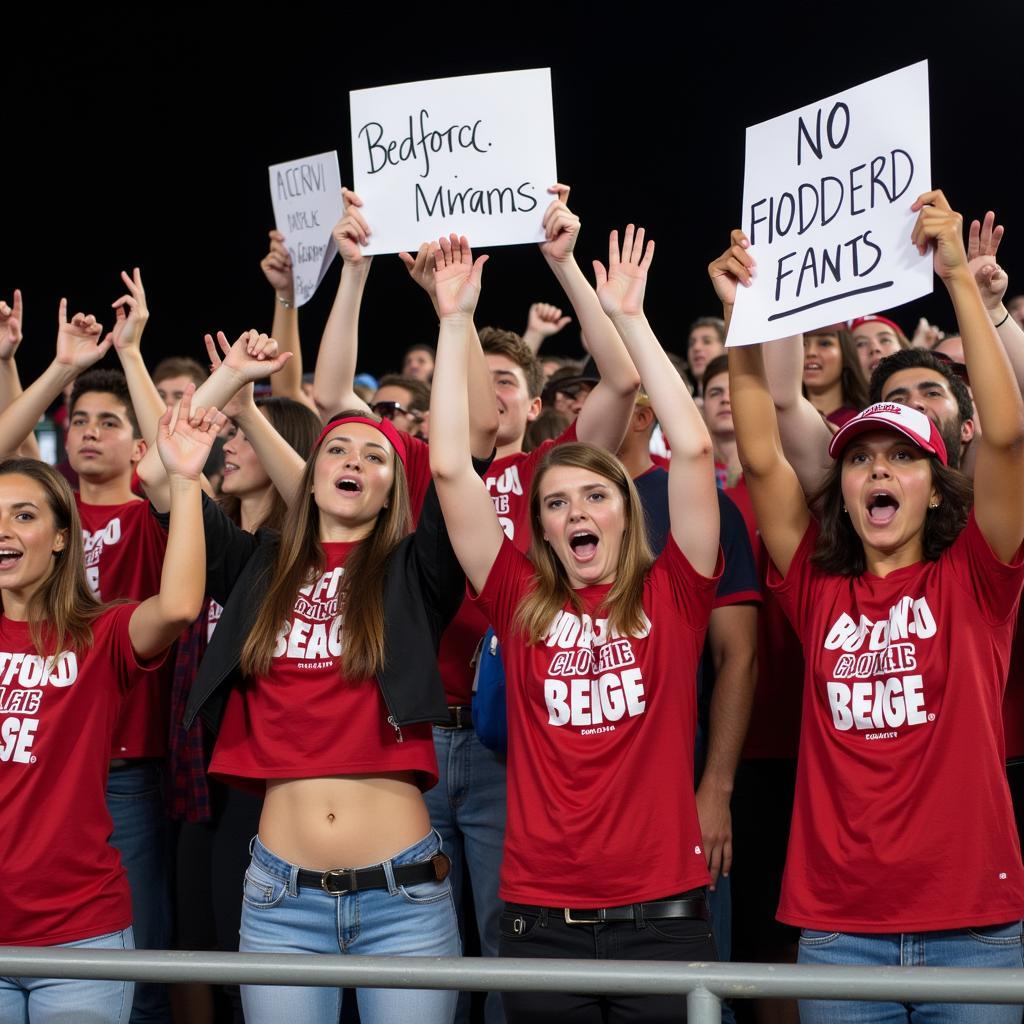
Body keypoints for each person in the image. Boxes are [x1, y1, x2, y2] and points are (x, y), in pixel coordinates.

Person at [718, 190, 1024, 1023]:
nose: (880, 472)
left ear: (935, 486)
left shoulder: (979, 578)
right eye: (862, 460)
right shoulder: (817, 590)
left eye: (903, 458)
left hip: (976, 926)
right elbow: (759, 452)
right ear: (843, 488)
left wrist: (958, 275)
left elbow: (1004, 437)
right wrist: (748, 320)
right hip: (839, 931)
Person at [430, 227, 721, 1024]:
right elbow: (453, 468)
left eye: (595, 495)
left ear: (627, 511)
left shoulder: (676, 595)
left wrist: (632, 319)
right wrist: (455, 318)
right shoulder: (517, 598)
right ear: (542, 529)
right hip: (537, 924)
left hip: (663, 918)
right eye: (555, 503)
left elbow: (692, 448)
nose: (575, 511)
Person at [173, 321, 496, 1023]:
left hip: (404, 901)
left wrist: (455, 315)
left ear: (391, 491)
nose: (355, 458)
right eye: (338, 448)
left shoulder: (416, 573)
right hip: (280, 901)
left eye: (377, 455)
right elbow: (166, 469)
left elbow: (467, 444)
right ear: (310, 477)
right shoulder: (258, 565)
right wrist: (232, 383)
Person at [0, 390, 218, 1024]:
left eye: (23, 516)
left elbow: (178, 607)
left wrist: (182, 481)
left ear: (62, 538)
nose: (4, 532)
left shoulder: (98, 636)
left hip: (79, 930)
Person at [801, 325, 867, 427]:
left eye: (824, 343)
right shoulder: (778, 421)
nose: (810, 352)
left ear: (846, 353)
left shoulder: (864, 421)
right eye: (802, 344)